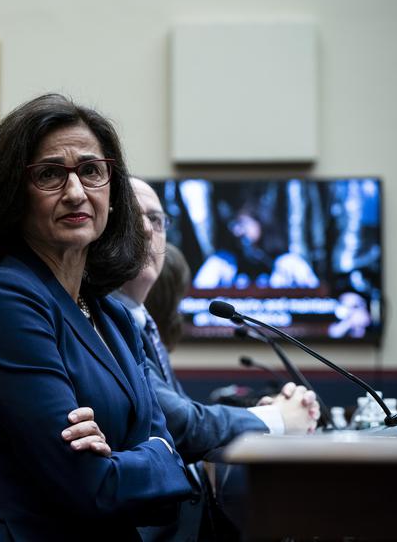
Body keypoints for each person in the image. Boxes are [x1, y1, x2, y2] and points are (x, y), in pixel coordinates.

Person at [0, 93, 192, 541]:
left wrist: (142, 457)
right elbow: (90, 487)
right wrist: (156, 454)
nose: (75, 193)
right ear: (13, 194)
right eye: (50, 175)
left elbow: (169, 480)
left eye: (91, 171)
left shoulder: (112, 313)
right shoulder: (4, 300)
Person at [105, 179, 320, 540]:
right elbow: (181, 426)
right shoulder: (104, 321)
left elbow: (175, 415)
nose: (145, 228)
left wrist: (259, 416)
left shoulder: (138, 323)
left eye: (156, 220)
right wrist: (274, 418)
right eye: (132, 217)